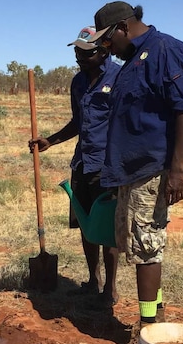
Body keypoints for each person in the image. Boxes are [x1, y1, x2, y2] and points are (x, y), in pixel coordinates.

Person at [86, 2, 183, 344]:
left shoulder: (164, 50)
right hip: (130, 171)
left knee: (147, 248)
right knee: (137, 246)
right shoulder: (132, 60)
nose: (107, 48)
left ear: (123, 27)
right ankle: (156, 315)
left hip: (151, 169)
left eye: (108, 40)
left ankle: (148, 332)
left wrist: (178, 170)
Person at [29, 26, 121, 308]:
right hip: (83, 162)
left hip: (108, 167)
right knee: (87, 226)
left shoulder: (119, 77)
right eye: (77, 51)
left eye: (86, 52)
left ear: (103, 50)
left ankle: (111, 290)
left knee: (108, 230)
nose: (80, 57)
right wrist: (51, 141)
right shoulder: (77, 82)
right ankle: (94, 282)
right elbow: (77, 123)